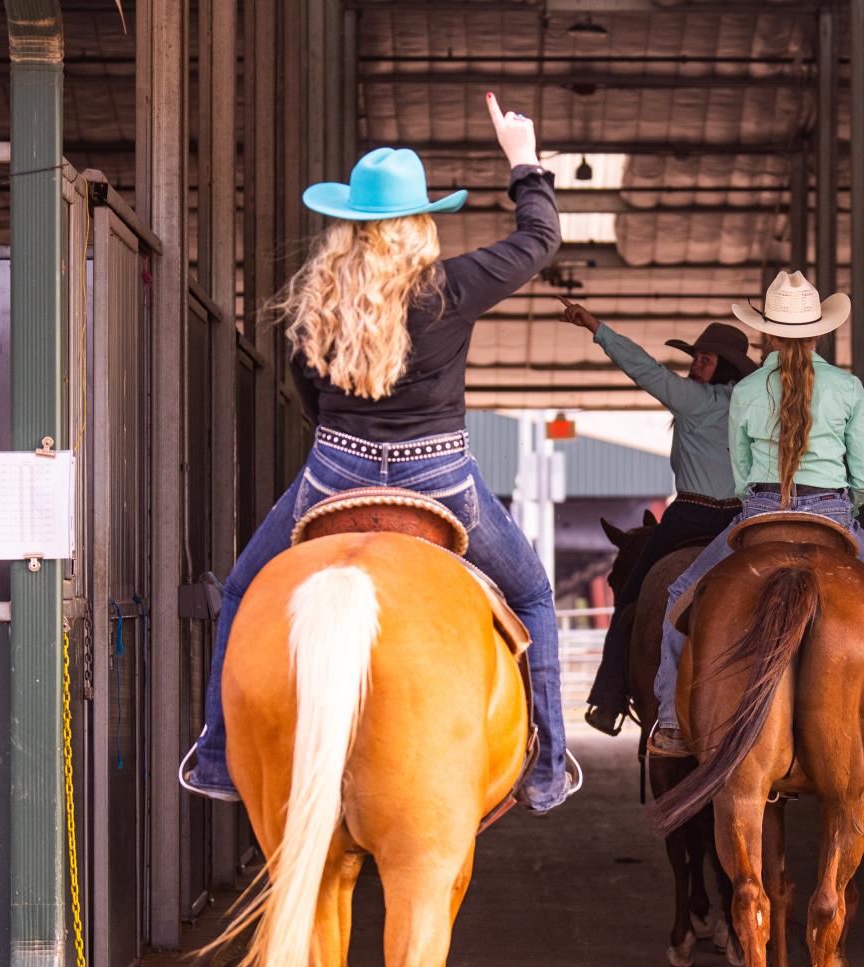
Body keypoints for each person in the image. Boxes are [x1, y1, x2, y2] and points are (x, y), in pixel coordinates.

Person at [180, 96, 582, 812]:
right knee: (531, 596)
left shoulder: (317, 301)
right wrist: (523, 160)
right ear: (422, 220)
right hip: (441, 476)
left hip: (335, 467)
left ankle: (215, 756)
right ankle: (549, 765)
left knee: (243, 590)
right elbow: (541, 238)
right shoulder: (452, 287)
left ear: (350, 224)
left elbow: (308, 393)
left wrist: (348, 440)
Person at [648, 271, 864, 767]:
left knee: (678, 597)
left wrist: (763, 501)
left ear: (767, 333)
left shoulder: (746, 389)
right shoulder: (847, 388)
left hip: (759, 513)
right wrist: (844, 507)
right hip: (831, 514)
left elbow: (740, 475)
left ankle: (672, 724)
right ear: (819, 332)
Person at [556, 300, 756, 736]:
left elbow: (643, 368)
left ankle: (608, 699)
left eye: (705, 359)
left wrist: (597, 327)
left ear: (724, 367)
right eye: (696, 358)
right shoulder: (754, 404)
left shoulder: (693, 399)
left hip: (690, 514)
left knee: (630, 598)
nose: (696, 365)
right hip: (742, 521)